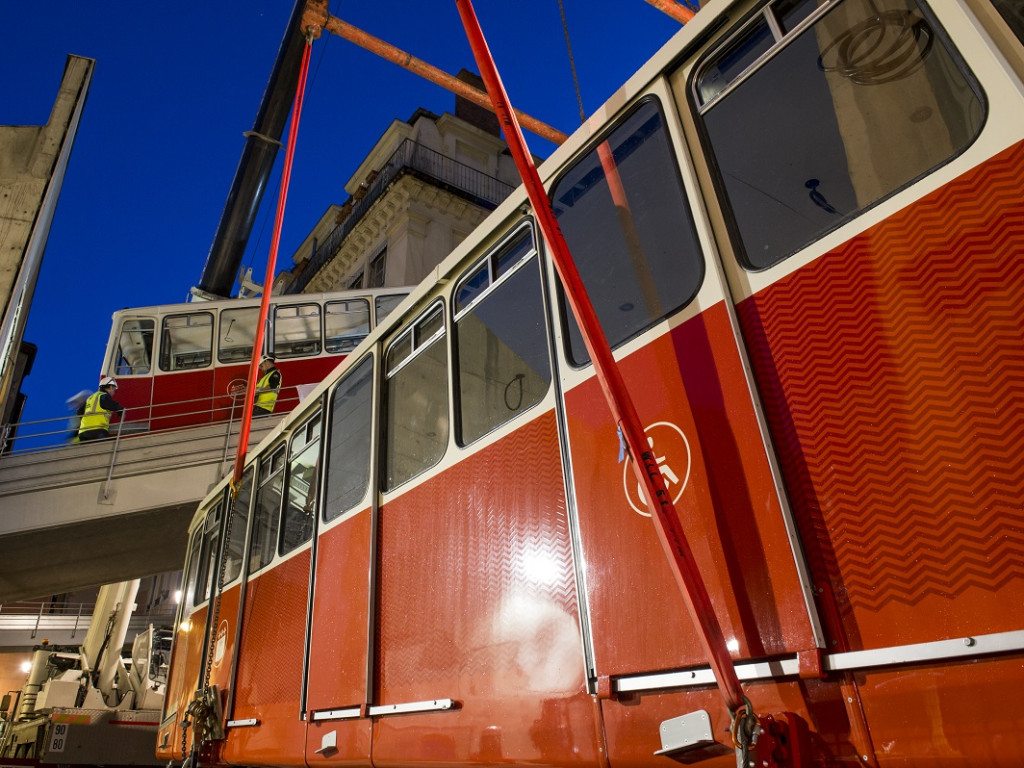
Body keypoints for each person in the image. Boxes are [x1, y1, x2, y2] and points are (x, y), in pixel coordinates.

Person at [78, 377, 124, 441]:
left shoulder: (90, 398)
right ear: (110, 387)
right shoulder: (103, 396)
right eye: (114, 389)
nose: (114, 392)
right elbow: (114, 405)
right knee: (112, 445)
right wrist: (120, 411)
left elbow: (79, 412)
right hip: (97, 430)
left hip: (82, 432)